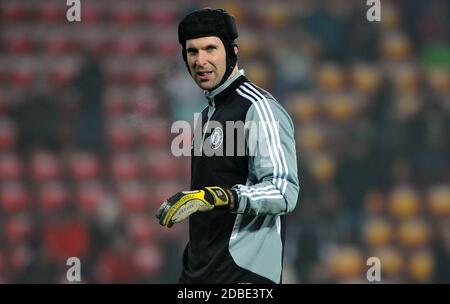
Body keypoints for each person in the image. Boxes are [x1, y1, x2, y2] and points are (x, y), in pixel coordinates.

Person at [156, 8, 299, 284]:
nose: (200, 60)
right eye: (192, 52)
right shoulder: (210, 113)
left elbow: (284, 191)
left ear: (233, 51)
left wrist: (218, 197)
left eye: (210, 48)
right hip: (201, 273)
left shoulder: (258, 107)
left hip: (243, 277)